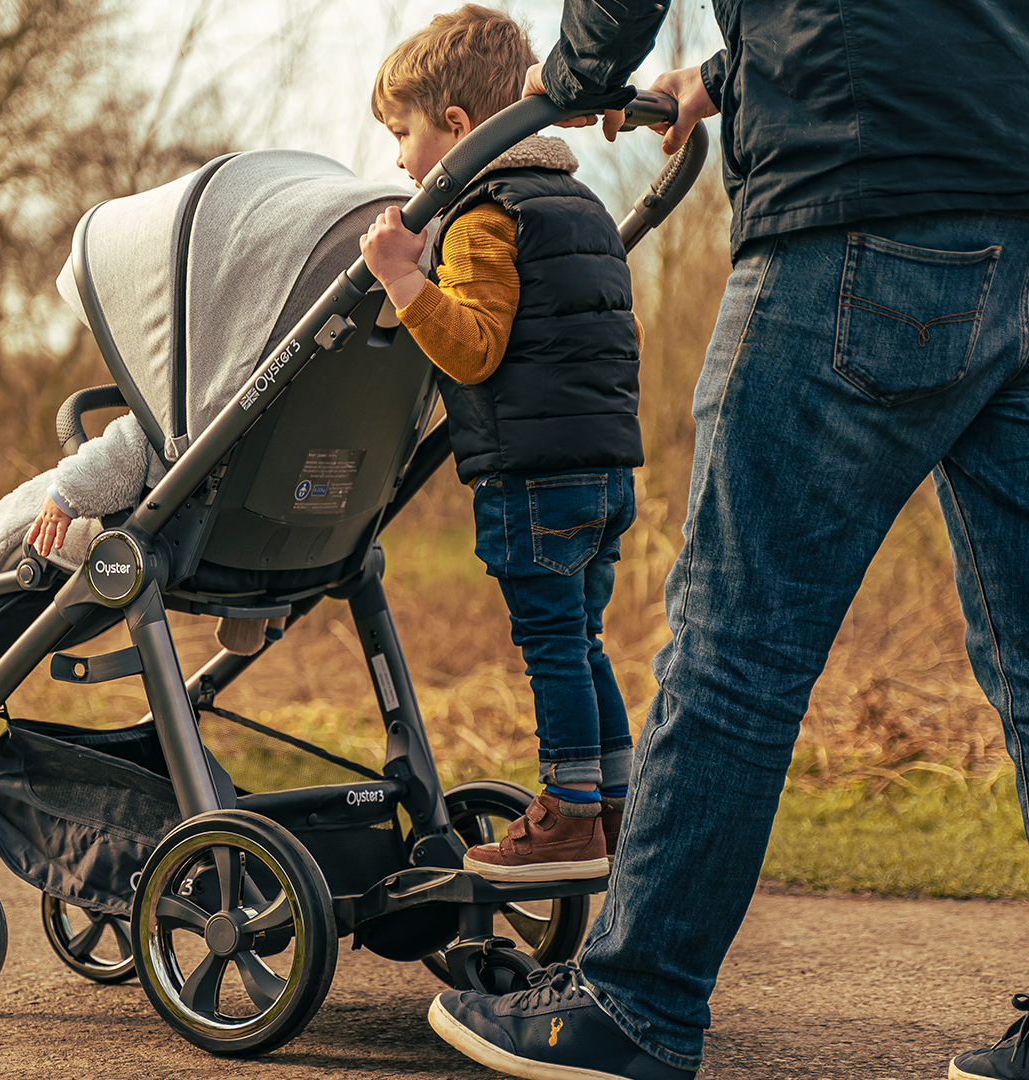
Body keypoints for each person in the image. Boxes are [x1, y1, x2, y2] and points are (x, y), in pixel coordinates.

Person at [425, 1, 1029, 1079]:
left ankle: (632, 1008)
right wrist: (728, 72)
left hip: (858, 203)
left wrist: (582, 68)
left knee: (739, 648)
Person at [360, 4, 646, 881]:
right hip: (601, 470)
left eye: (402, 134)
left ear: (453, 130)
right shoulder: (576, 201)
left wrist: (404, 275)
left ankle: (564, 810)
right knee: (582, 638)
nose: (398, 158)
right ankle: (616, 805)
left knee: (552, 645)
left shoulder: (485, 215)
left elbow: (475, 349)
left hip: (533, 479)